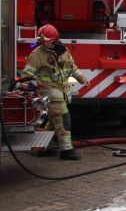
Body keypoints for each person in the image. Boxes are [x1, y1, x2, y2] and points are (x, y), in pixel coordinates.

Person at [13, 25, 90, 160]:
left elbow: (72, 67)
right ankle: (66, 150)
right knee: (63, 119)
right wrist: (21, 90)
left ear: (55, 40)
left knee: (53, 123)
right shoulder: (38, 54)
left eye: (47, 41)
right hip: (50, 94)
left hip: (63, 92)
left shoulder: (64, 50)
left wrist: (82, 79)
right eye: (42, 41)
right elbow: (28, 73)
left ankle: (44, 147)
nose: (44, 43)